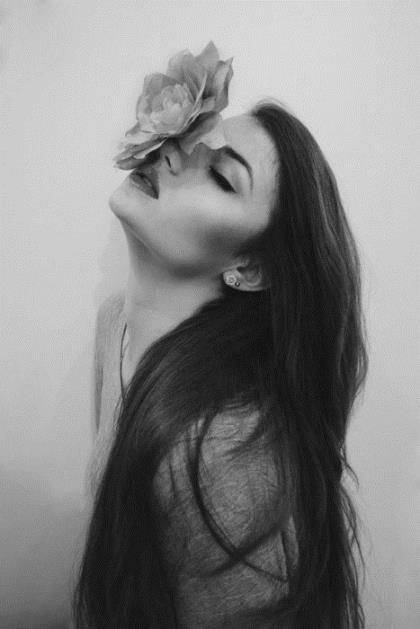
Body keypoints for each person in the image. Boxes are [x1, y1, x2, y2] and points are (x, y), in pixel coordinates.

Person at [71, 100, 368, 628]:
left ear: (250, 268)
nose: (172, 154)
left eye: (223, 177)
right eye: (192, 137)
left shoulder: (219, 453)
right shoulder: (114, 324)